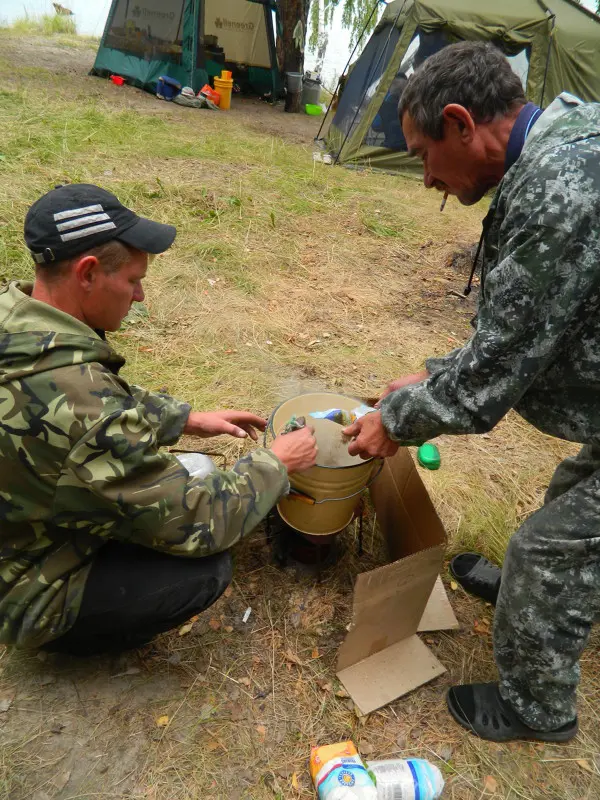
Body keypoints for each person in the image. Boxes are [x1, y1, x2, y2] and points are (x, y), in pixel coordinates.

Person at [342, 42, 600, 743]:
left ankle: (537, 709)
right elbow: (535, 324)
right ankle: (538, 598)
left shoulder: (560, 188)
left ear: (461, 122)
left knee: (550, 548)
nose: (425, 177)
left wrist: (396, 418)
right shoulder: (562, 141)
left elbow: (491, 381)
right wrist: (434, 373)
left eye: (424, 153)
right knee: (577, 496)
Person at [0, 183, 317, 656]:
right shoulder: (88, 410)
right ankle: (53, 631)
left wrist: (187, 418)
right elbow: (201, 520)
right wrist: (275, 462)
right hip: (21, 589)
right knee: (202, 573)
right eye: (132, 280)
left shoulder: (21, 325)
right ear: (87, 273)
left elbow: (78, 403)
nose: (141, 295)